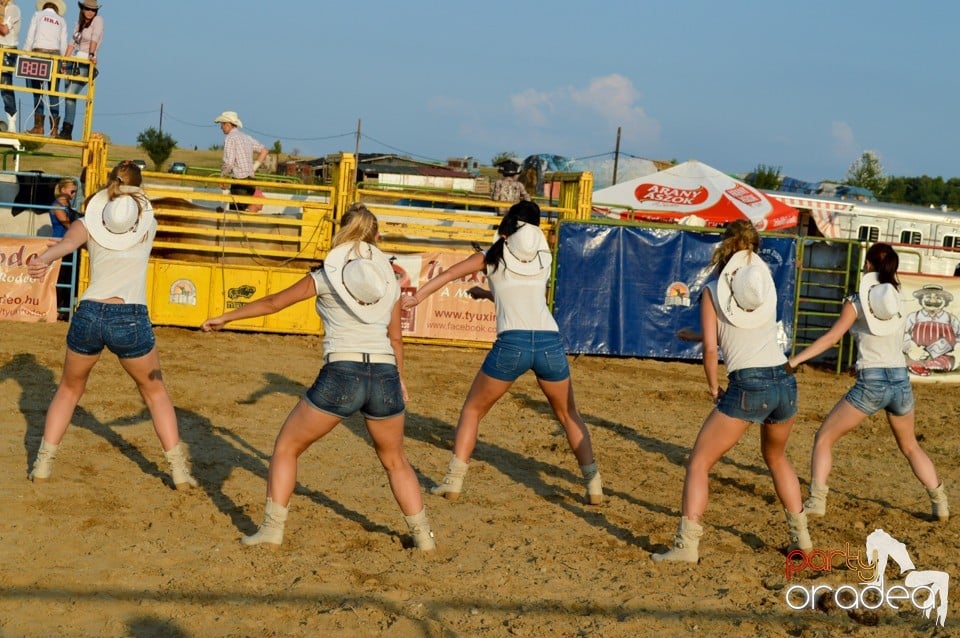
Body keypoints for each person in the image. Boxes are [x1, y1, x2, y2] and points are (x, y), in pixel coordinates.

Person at [201, 203, 436, 551]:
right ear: (375, 239)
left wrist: (226, 317)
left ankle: (271, 530)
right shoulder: (390, 280)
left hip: (343, 372)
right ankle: (424, 536)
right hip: (385, 373)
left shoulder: (325, 276)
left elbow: (273, 304)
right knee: (396, 460)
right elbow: (396, 338)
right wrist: (400, 378)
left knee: (286, 447)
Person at [401, 200, 603, 506]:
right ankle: (594, 484)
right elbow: (522, 292)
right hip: (549, 342)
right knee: (568, 414)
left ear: (509, 224)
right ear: (536, 228)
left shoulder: (492, 254)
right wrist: (487, 293)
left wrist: (416, 300)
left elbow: (445, 277)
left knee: (472, 411)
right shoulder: (545, 255)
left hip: (512, 344)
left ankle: (453, 482)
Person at [26, 161, 198, 488]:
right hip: (130, 315)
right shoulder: (147, 224)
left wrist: (42, 260)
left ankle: (43, 464)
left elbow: (63, 246)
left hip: (89, 313)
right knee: (154, 392)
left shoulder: (90, 222)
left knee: (69, 388)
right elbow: (137, 207)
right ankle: (178, 470)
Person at [652, 220, 810, 563]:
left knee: (699, 462)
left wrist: (713, 388)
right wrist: (699, 335)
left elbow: (712, 350)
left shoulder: (711, 290)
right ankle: (802, 538)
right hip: (784, 381)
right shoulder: (762, 285)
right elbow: (743, 328)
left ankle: (686, 546)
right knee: (777, 458)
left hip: (748, 384)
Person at [788, 243, 949, 522]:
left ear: (870, 266)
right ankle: (941, 502)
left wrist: (794, 361)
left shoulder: (857, 301)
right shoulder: (898, 297)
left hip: (872, 382)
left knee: (824, 438)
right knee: (910, 446)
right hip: (899, 379)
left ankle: (817, 500)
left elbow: (831, 338)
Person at [59, 0, 102, 140]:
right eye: (87, 9)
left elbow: (95, 38)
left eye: (93, 10)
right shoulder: (79, 23)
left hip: (85, 61)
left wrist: (91, 55)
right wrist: (64, 61)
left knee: (71, 94)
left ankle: (67, 129)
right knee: (68, 96)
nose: (90, 12)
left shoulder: (98, 20)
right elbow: (72, 43)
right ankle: (66, 131)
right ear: (82, 9)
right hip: (74, 60)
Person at [23, 0, 67, 136]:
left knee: (38, 91)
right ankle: (54, 128)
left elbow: (30, 36)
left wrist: (25, 55)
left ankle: (39, 127)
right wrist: (64, 63)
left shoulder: (37, 15)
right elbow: (63, 43)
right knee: (53, 92)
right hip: (54, 56)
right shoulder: (61, 20)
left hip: (38, 53)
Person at [214, 110, 267, 212]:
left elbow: (229, 162)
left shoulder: (230, 138)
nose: (221, 127)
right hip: (251, 181)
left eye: (222, 124)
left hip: (239, 182)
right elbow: (264, 151)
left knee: (236, 215)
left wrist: (222, 177)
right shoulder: (246, 137)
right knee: (244, 212)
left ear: (228, 124)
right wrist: (253, 168)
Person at [0, 0, 21, 133]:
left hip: (7, 50)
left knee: (6, 85)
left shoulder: (12, 9)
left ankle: (11, 121)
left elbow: (4, 30)